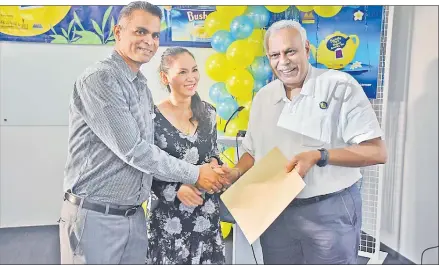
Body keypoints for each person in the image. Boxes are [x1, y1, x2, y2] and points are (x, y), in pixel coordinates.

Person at [59, 2, 228, 264]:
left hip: (134, 216)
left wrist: (211, 169)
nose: (149, 41)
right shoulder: (100, 79)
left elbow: (153, 150)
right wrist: (194, 174)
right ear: (118, 32)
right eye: (140, 32)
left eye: (155, 35)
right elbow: (134, 150)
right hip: (97, 216)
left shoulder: (141, 87)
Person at [220, 20, 388, 264]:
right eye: (274, 55)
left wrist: (320, 156)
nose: (283, 61)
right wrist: (235, 172)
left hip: (330, 209)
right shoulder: (264, 97)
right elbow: (252, 151)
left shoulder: (340, 87)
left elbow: (377, 152)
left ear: (307, 49)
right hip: (276, 211)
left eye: (290, 51)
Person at [146, 47, 226, 264]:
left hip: (205, 214)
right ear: (165, 77)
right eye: (182, 72)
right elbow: (145, 165)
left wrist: (215, 164)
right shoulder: (151, 117)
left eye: (194, 70)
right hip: (169, 219)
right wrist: (174, 189)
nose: (191, 78)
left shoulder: (208, 113)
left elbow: (213, 152)